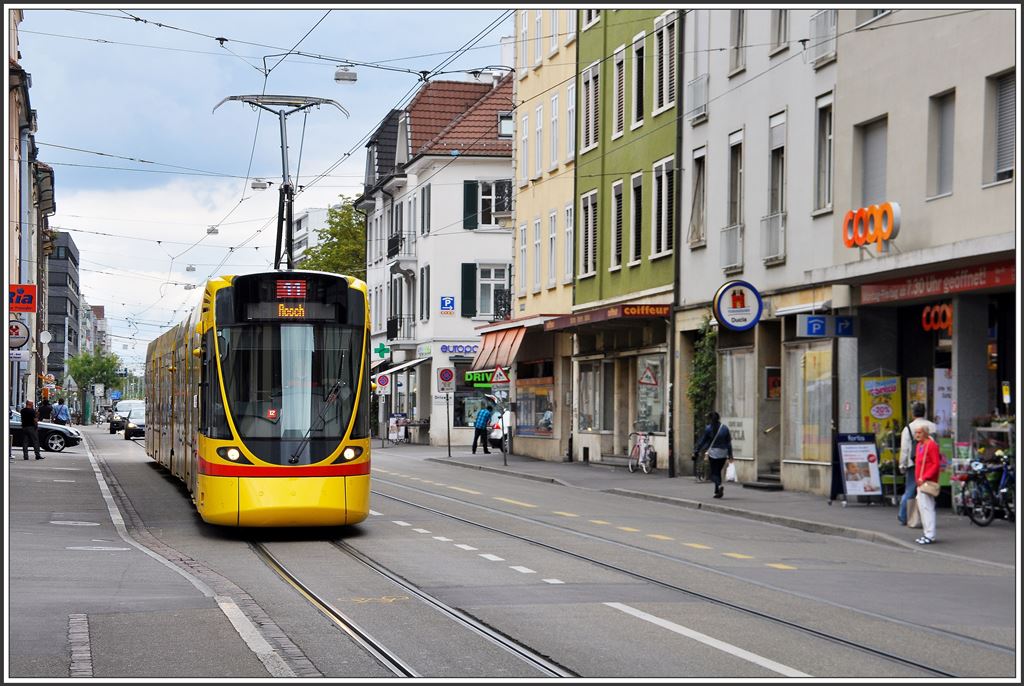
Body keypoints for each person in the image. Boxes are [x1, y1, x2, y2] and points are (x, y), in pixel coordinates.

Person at [898, 403, 937, 525]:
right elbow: (936, 445)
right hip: (929, 464)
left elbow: (905, 449)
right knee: (928, 492)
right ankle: (927, 518)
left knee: (910, 490)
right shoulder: (933, 427)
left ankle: (903, 516)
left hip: (914, 463)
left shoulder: (909, 428)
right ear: (924, 412)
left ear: (913, 413)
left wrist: (902, 465)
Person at [693, 411, 733, 498]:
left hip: (714, 453)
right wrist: (730, 455)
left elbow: (703, 441)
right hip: (723, 453)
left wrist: (696, 450)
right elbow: (729, 443)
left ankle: (719, 485)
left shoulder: (708, 428)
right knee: (717, 471)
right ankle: (717, 491)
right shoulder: (725, 428)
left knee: (713, 473)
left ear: (710, 419)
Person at [913, 422, 941, 545]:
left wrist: (925, 477)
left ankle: (930, 534)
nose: (917, 435)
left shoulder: (931, 445)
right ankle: (927, 533)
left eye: (919, 432)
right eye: (916, 433)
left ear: (925, 433)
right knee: (923, 508)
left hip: (926, 482)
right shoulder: (920, 445)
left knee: (927, 508)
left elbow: (936, 464)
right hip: (921, 482)